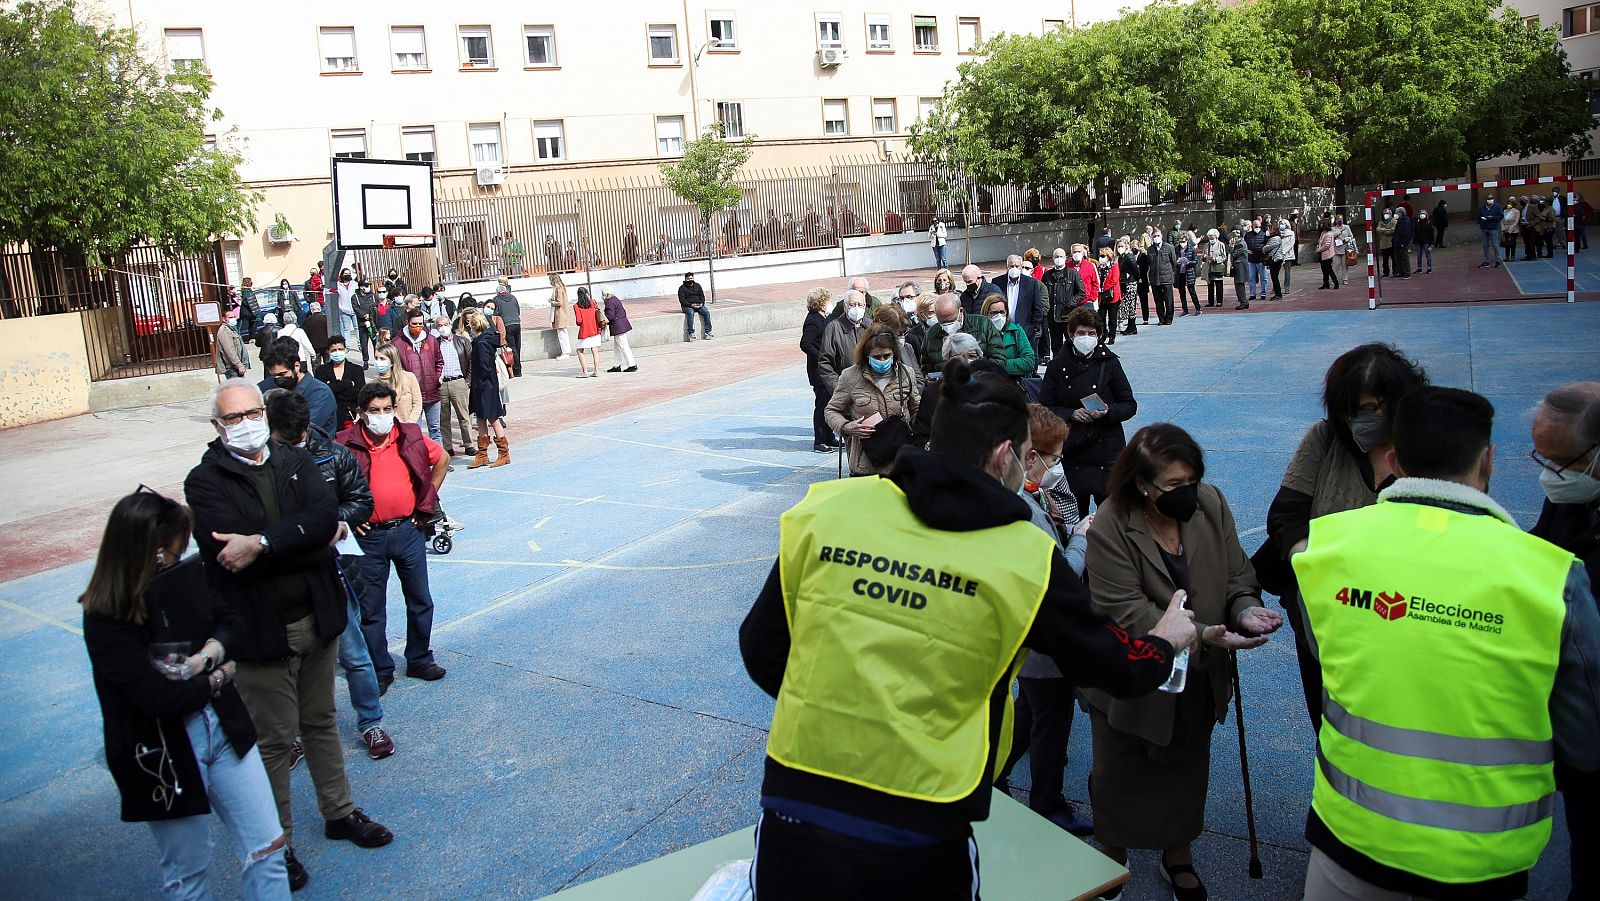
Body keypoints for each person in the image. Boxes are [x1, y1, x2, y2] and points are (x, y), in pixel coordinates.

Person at [738, 357, 1197, 899]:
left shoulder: (828, 510)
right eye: (1028, 456)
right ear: (1004, 456)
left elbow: (763, 649)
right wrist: (1166, 640)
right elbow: (1114, 665)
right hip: (926, 816)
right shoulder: (1023, 556)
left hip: (796, 804)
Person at [1292, 386, 1600, 901]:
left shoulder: (1324, 547)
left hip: (1348, 840)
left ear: (1392, 459)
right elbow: (1585, 743)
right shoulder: (1552, 578)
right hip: (1481, 861)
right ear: (1489, 460)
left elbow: (1334, 659)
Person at [185, 380, 393, 891]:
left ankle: (339, 811)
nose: (247, 423)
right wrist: (296, 538)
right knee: (274, 741)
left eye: (253, 412)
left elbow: (325, 518)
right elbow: (227, 555)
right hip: (261, 630)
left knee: (320, 720)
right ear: (218, 426)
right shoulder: (205, 481)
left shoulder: (294, 460)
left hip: (314, 618)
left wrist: (262, 541)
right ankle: (282, 844)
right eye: (234, 418)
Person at [1083, 423, 1282, 900]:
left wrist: (1243, 608)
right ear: (1141, 484)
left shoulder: (1209, 504)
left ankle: (1179, 854)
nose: (1187, 493)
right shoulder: (1110, 524)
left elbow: (1237, 573)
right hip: (1129, 674)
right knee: (1119, 768)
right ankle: (1112, 850)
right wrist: (1199, 634)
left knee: (1188, 764)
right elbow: (1123, 609)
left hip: (1198, 673)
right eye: (1174, 485)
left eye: (1191, 480)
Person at [81, 489, 291, 899]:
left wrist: (206, 657)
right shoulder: (105, 618)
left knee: (268, 847)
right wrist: (216, 677)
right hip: (163, 752)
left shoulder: (184, 582)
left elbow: (231, 621)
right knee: (188, 872)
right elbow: (156, 696)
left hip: (225, 730)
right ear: (151, 552)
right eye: (173, 553)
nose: (180, 561)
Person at [1251, 343, 1428, 731]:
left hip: (1404, 619)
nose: (1355, 421)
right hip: (1325, 616)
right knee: (1330, 727)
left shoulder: (1428, 448)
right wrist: (1319, 567)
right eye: (1346, 410)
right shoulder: (1326, 439)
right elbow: (1285, 518)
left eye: (1368, 410)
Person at [265, 391, 393, 761]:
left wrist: (333, 521)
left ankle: (371, 722)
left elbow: (361, 501)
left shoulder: (333, 454)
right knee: (288, 660)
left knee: (353, 652)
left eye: (295, 439)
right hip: (287, 571)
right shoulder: (262, 464)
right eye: (281, 440)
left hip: (334, 565)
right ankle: (292, 735)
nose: (288, 445)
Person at [994, 404, 1094, 835]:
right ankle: (1048, 803)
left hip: (1031, 642)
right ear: (1027, 456)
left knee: (1029, 714)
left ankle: (995, 776)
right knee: (1050, 725)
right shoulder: (1024, 506)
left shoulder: (1031, 496)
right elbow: (1059, 578)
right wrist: (1083, 539)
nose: (1057, 466)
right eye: (1051, 458)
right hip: (1045, 640)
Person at [1529, 382, 1600, 900]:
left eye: (1560, 462)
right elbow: (1538, 552)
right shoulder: (1576, 494)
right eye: (1541, 457)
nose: (1548, 473)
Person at [337, 382, 449, 693]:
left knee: (420, 598)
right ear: (361, 413)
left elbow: (441, 460)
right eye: (374, 411)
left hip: (408, 531)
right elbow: (324, 486)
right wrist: (346, 514)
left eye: (387, 409)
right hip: (369, 537)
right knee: (371, 607)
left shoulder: (410, 435)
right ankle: (380, 668)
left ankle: (419, 659)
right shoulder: (343, 444)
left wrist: (426, 500)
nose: (382, 416)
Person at [1039, 306, 1137, 518]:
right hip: (1074, 449)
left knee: (1113, 518)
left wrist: (1108, 411)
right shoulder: (1057, 366)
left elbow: (1129, 404)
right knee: (1074, 517)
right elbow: (1045, 406)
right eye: (1081, 333)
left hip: (1107, 449)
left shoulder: (1110, 363)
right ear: (1071, 334)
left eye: (1092, 333)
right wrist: (1070, 414)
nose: (1086, 337)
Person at [824, 322, 920, 477]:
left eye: (887, 355)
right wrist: (846, 426)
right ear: (866, 355)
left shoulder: (907, 374)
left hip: (901, 462)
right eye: (876, 357)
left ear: (894, 353)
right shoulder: (850, 376)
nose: (882, 360)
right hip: (866, 464)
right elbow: (831, 410)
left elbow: (916, 410)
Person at [259, 339, 337, 439]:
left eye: (282, 374)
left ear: (296, 366)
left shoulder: (320, 393)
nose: (278, 379)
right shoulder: (267, 387)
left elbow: (302, 430)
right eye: (274, 376)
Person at [462, 308, 510, 468]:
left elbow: (484, 367)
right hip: (481, 386)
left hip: (485, 386)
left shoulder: (482, 343)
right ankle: (482, 453)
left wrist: (479, 384)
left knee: (493, 418)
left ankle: (504, 453)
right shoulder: (483, 340)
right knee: (481, 418)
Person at [920, 294, 1004, 374]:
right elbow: (926, 367)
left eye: (950, 320)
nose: (947, 325)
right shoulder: (931, 334)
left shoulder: (983, 324)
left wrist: (978, 373)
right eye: (942, 322)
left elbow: (999, 359)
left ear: (960, 311)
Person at [394, 308, 444, 442]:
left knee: (435, 430)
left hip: (432, 392)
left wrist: (436, 379)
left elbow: (439, 362)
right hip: (412, 396)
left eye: (420, 324)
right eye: (414, 324)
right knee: (414, 431)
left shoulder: (431, 340)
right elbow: (395, 369)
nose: (418, 327)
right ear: (407, 322)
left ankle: (438, 461)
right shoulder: (397, 343)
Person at [800, 288, 838, 453]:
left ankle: (829, 437)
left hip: (827, 370)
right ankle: (820, 440)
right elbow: (805, 343)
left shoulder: (824, 318)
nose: (830, 303)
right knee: (822, 405)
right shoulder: (813, 321)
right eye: (827, 300)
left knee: (829, 404)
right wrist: (822, 357)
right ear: (821, 303)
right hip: (819, 371)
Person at [431, 315, 474, 458]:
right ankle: (448, 447)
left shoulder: (462, 341)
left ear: (450, 324)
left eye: (445, 324)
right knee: (444, 418)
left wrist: (467, 381)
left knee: (464, 416)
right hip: (442, 384)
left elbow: (471, 362)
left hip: (459, 382)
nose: (443, 328)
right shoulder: (434, 344)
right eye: (439, 326)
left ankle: (469, 444)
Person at [990, 254, 1045, 360]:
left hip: (1026, 329)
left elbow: (1038, 307)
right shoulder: (997, 282)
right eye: (1011, 266)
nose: (1014, 268)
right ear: (1007, 267)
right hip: (1003, 328)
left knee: (1029, 358)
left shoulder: (1031, 283)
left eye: (1017, 266)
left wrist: (1034, 327)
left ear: (1021, 267)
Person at [816, 289, 870, 396]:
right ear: (845, 307)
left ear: (864, 307)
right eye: (852, 304)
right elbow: (825, 363)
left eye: (860, 304)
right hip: (845, 392)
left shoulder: (871, 326)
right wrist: (838, 389)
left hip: (869, 392)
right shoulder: (833, 328)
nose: (856, 308)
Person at [313, 334, 365, 431]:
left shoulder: (356, 369)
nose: (337, 352)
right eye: (333, 350)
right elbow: (322, 393)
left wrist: (332, 387)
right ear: (328, 352)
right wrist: (347, 384)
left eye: (340, 349)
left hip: (350, 416)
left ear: (345, 349)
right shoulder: (321, 370)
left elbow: (359, 393)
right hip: (329, 418)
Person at [1042, 247, 1087, 357]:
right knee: (1056, 346)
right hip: (1053, 317)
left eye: (1061, 256)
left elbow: (1081, 293)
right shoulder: (1047, 276)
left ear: (1065, 258)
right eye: (1056, 257)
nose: (1059, 259)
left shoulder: (1073, 274)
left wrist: (1069, 303)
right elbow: (1043, 293)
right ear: (1053, 258)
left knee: (1072, 343)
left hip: (1068, 316)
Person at [981, 294, 1038, 380]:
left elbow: (1029, 361)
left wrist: (997, 366)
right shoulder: (979, 333)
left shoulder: (1016, 331)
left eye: (1002, 312)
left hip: (1013, 384)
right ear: (986, 314)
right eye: (994, 313)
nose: (999, 316)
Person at [369, 343, 420, 426]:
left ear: (392, 361)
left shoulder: (409, 377)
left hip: (407, 427)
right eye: (376, 358)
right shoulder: (373, 384)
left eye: (382, 358)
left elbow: (417, 404)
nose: (378, 362)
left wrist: (409, 424)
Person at [599, 289, 637, 373]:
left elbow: (610, 316)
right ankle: (617, 365)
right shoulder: (615, 299)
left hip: (618, 327)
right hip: (621, 325)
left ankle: (632, 365)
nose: (602, 296)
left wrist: (602, 319)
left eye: (603, 294)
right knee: (617, 347)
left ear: (607, 294)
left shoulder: (610, 302)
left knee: (623, 346)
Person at [572, 286, 605, 378]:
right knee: (594, 349)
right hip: (595, 329)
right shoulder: (593, 302)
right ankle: (596, 371)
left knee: (580, 350)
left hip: (584, 331)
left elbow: (579, 321)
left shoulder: (576, 306)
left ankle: (585, 372)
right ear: (587, 293)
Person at [1148, 229, 1179, 325]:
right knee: (1158, 301)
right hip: (1154, 279)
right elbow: (1149, 263)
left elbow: (1173, 262)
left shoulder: (1169, 247)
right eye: (1154, 236)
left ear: (1161, 236)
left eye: (1158, 236)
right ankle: (1161, 318)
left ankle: (1169, 318)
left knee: (1168, 300)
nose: (1156, 238)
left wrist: (1172, 274)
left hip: (1166, 278)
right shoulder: (1150, 249)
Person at [1095, 246, 1124, 340]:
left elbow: (1114, 280)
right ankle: (1104, 334)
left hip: (1112, 296)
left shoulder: (1114, 266)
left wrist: (1103, 288)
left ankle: (1112, 336)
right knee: (1101, 317)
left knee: (1112, 318)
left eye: (1103, 256)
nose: (1101, 258)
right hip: (1102, 296)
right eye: (1100, 256)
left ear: (1108, 256)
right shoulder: (1099, 268)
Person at [678, 272, 712, 341]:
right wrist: (691, 305)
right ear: (685, 279)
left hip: (698, 304)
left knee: (706, 312)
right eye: (688, 279)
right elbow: (682, 300)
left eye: (691, 278)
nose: (690, 280)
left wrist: (702, 303)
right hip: (687, 306)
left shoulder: (697, 286)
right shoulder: (682, 288)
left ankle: (708, 331)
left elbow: (702, 296)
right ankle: (691, 333)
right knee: (690, 313)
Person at [1198, 229, 1227, 307]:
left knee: (1219, 285)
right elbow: (1203, 255)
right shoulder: (1206, 245)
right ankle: (1210, 302)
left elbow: (1224, 256)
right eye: (1209, 238)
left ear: (1216, 237)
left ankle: (1219, 301)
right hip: (1209, 267)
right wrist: (1204, 257)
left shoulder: (1221, 244)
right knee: (1210, 285)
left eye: (1212, 237)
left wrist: (1216, 259)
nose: (1211, 239)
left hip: (1217, 267)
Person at [216, 310, 247, 379]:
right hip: (232, 367)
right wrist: (239, 365)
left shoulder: (231, 329)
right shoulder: (224, 331)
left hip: (236, 366)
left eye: (234, 317)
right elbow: (229, 350)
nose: (233, 319)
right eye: (230, 317)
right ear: (224, 319)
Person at [1243, 217, 1269, 302]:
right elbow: (1244, 245)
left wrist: (1264, 253)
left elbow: (1267, 245)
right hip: (1251, 260)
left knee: (1263, 278)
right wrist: (1246, 251)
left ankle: (1263, 293)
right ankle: (1252, 294)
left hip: (1261, 260)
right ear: (1252, 226)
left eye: (1258, 226)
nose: (1257, 228)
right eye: (1255, 226)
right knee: (1251, 278)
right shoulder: (1248, 235)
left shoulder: (1264, 235)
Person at [1478, 193, 1504, 268]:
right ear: (1486, 200)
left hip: (1493, 228)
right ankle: (1487, 261)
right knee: (1485, 245)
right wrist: (1480, 222)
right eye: (1488, 199)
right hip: (1484, 228)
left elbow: (1501, 216)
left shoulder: (1497, 206)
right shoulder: (1483, 207)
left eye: (1491, 198)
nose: (1490, 200)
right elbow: (1479, 216)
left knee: (1495, 245)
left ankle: (1498, 260)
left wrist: (1492, 217)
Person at [1229, 226, 1251, 310]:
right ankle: (1243, 301)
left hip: (1240, 266)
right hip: (1238, 265)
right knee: (1238, 284)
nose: (1235, 235)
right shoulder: (1239, 243)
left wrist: (1231, 246)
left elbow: (1234, 254)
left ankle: (1244, 302)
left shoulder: (1241, 243)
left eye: (1238, 233)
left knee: (1239, 284)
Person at [1315, 221, 1340, 290]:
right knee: (1324, 270)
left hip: (1327, 254)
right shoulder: (1323, 233)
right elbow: (1320, 242)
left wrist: (1319, 249)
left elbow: (1327, 245)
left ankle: (1336, 283)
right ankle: (1326, 284)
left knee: (1329, 270)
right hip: (1322, 255)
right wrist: (1317, 247)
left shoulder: (1329, 234)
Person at [1390, 206, 1413, 279]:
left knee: (1404, 258)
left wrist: (1404, 243)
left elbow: (1407, 233)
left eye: (1397, 213)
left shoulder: (1406, 221)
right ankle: (1401, 272)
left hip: (1402, 243)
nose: (1396, 215)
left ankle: (1407, 273)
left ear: (1401, 213)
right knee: (1398, 258)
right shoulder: (1399, 221)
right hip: (1397, 243)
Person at [1412, 209, 1435, 274]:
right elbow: (1415, 233)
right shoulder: (1417, 223)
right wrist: (1414, 241)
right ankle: (1419, 268)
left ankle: (1429, 267)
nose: (1422, 215)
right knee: (1419, 255)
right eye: (1421, 213)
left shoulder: (1429, 223)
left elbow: (1431, 234)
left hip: (1426, 241)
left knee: (1428, 255)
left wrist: (1431, 244)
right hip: (1418, 241)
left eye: (1423, 214)